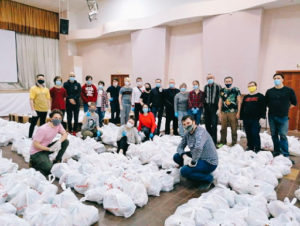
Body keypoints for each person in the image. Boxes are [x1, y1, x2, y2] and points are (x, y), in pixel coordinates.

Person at [173, 115, 218, 189]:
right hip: (196, 156)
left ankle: (208, 178)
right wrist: (184, 156)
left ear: (193, 122)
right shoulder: (187, 133)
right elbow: (180, 147)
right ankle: (193, 171)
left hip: (208, 161)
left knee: (183, 171)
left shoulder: (200, 132)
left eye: (188, 123)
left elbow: (198, 148)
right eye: (184, 124)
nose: (186, 126)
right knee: (176, 157)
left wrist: (193, 162)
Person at [265, 73, 297, 158]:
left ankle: (285, 154)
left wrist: (285, 108)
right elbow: (266, 103)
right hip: (272, 116)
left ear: (283, 79)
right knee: (274, 135)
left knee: (283, 135)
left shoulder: (289, 90)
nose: (276, 80)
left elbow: (294, 103)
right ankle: (276, 151)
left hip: (283, 117)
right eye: (275, 78)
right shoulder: (269, 91)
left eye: (278, 78)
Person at [29, 109, 69, 176]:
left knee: (65, 142)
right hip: (36, 152)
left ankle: (57, 160)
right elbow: (35, 144)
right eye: (56, 118)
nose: (58, 120)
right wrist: (49, 149)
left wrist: (59, 142)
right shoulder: (43, 129)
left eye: (60, 118)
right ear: (51, 118)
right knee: (49, 169)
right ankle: (33, 163)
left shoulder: (58, 125)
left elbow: (65, 134)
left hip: (46, 148)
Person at [240, 81, 266, 153]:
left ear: (256, 86)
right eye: (249, 86)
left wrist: (262, 117)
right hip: (246, 119)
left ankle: (257, 148)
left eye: (252, 85)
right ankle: (250, 146)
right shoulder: (246, 97)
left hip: (256, 119)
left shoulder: (260, 96)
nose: (251, 87)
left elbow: (263, 107)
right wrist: (241, 118)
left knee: (255, 133)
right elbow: (242, 107)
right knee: (248, 133)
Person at [218, 76, 241, 147]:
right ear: (224, 82)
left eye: (229, 81)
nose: (228, 82)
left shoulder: (236, 90)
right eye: (226, 81)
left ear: (232, 82)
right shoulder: (222, 91)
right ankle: (222, 142)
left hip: (233, 112)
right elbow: (220, 101)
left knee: (234, 128)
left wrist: (238, 112)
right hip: (224, 112)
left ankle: (234, 143)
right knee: (223, 128)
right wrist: (219, 112)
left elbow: (239, 101)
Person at [29, 74, 51, 138]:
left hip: (44, 110)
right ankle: (30, 136)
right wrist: (33, 110)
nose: (41, 80)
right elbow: (31, 100)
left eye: (42, 79)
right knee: (33, 124)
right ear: (36, 79)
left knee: (42, 125)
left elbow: (48, 99)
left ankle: (41, 137)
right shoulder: (33, 88)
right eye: (39, 79)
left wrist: (49, 109)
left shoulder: (46, 89)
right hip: (36, 110)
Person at [203, 74, 221, 144]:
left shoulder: (217, 86)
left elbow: (220, 97)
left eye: (211, 78)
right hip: (207, 107)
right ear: (207, 79)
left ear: (214, 78)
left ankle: (214, 141)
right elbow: (204, 96)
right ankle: (209, 139)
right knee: (207, 124)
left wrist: (219, 108)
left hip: (214, 107)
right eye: (208, 78)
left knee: (214, 124)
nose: (210, 79)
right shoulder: (205, 87)